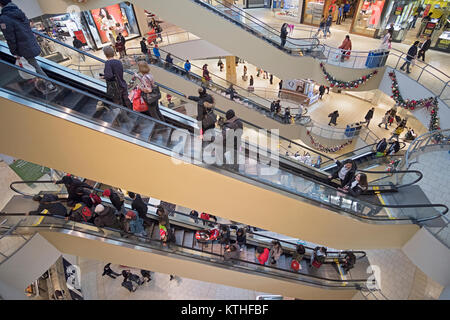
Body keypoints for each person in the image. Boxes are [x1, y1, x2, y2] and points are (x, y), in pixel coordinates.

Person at [0, 0, 57, 93]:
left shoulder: (4, 18)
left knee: (35, 67)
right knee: (33, 66)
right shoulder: (19, 13)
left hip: (23, 48)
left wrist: (14, 52)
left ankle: (50, 86)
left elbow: (10, 38)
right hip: (30, 44)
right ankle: (46, 84)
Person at [101, 45, 132, 110]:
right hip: (122, 83)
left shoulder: (108, 63)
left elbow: (109, 76)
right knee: (126, 100)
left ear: (106, 54)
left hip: (116, 87)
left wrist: (104, 77)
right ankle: (131, 113)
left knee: (118, 103)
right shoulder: (118, 62)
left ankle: (124, 117)